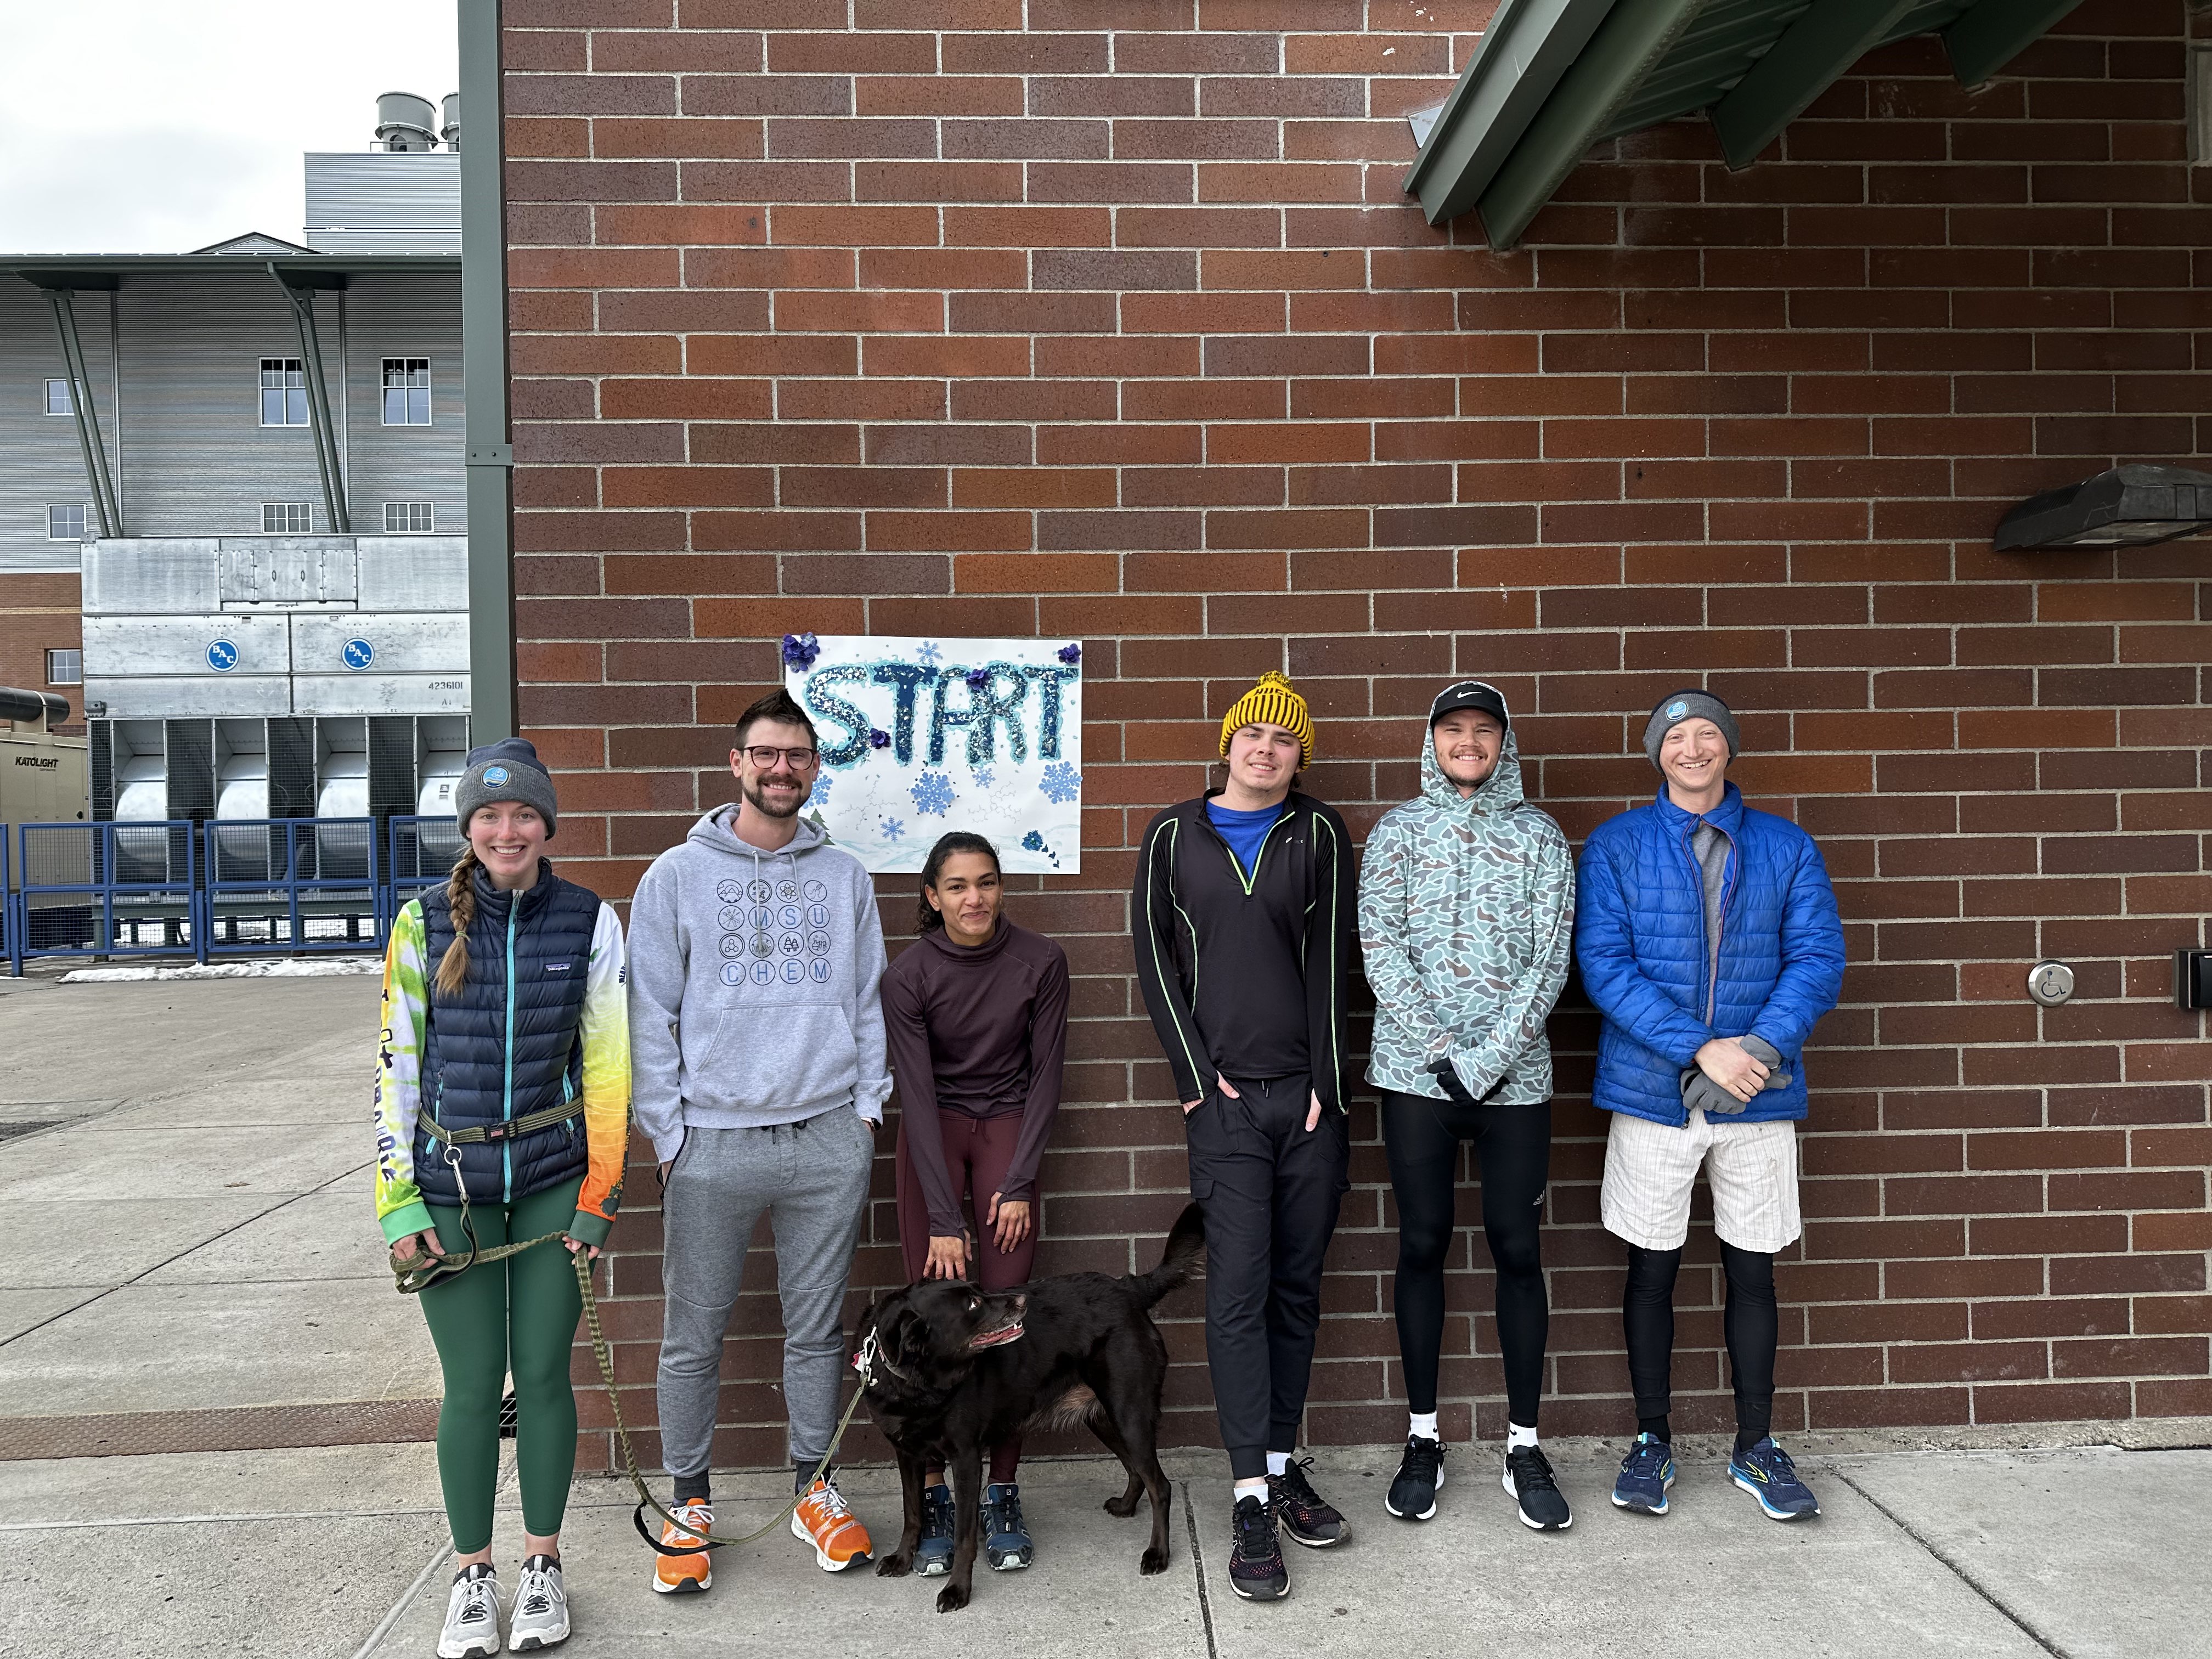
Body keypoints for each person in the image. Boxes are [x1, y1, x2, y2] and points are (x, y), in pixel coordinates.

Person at [629, 687, 891, 1592]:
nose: (783, 769)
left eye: (798, 756)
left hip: (825, 1137)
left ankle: (816, 1489)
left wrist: (865, 1111)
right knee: (691, 1336)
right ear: (738, 764)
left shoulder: (845, 876)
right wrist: (670, 1136)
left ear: (816, 769)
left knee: (817, 1332)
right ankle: (689, 1504)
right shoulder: (675, 876)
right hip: (713, 1144)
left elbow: (867, 1001)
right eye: (766, 754)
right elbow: (648, 1011)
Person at [375, 739, 631, 1658]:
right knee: (474, 1387)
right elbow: (396, 1073)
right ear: (468, 829)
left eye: (524, 814)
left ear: (547, 825)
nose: (507, 830)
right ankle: (472, 1576)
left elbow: (607, 1073)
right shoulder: (420, 925)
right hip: (453, 1197)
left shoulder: (589, 922)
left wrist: (602, 1195)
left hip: (557, 1191)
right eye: (489, 816)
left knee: (549, 1376)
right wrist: (397, 1207)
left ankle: (542, 1569)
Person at [1575, 690, 1845, 1523]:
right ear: (1657, 753)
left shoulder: (1787, 846)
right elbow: (1605, 965)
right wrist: (1702, 1049)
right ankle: (1652, 1440)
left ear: (1729, 749)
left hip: (1758, 1096)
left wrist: (1754, 1053)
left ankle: (1756, 1446)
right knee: (1651, 1270)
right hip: (1653, 1093)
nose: (1693, 749)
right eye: (1676, 738)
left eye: (1707, 736)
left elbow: (1818, 956)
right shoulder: (1617, 846)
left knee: (1752, 1270)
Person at [1131, 670, 1357, 1604]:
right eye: (1251, 734)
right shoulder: (1173, 835)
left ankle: (1282, 1459)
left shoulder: (1322, 833)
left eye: (1284, 738)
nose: (1266, 749)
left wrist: (1329, 1087)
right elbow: (1151, 955)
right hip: (1224, 1108)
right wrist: (1195, 1085)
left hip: (1306, 1107)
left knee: (1296, 1289)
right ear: (1227, 746)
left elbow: (1339, 958)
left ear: (1301, 756)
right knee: (1237, 1293)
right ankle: (1250, 1496)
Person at [1359, 681, 1575, 1532]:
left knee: (1517, 1246)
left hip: (1515, 1082)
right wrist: (1443, 1053)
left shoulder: (1541, 837)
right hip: (1417, 1081)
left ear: (1503, 744)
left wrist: (1486, 1059)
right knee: (1421, 1242)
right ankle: (1423, 1435)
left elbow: (1554, 954)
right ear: (1433, 742)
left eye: (1484, 730)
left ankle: (1524, 1442)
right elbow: (1380, 946)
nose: (1469, 742)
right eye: (1454, 730)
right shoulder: (1399, 833)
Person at [883, 831, 1070, 1578]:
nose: (974, 899)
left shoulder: (1041, 961)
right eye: (956, 886)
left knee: (1003, 1319)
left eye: (987, 883)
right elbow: (917, 1099)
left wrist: (1019, 1181)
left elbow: (1047, 1074)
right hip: (935, 1136)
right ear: (932, 897)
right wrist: (943, 1215)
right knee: (931, 1315)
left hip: (1007, 1129)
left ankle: (1000, 1491)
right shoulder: (909, 975)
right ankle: (933, 1491)